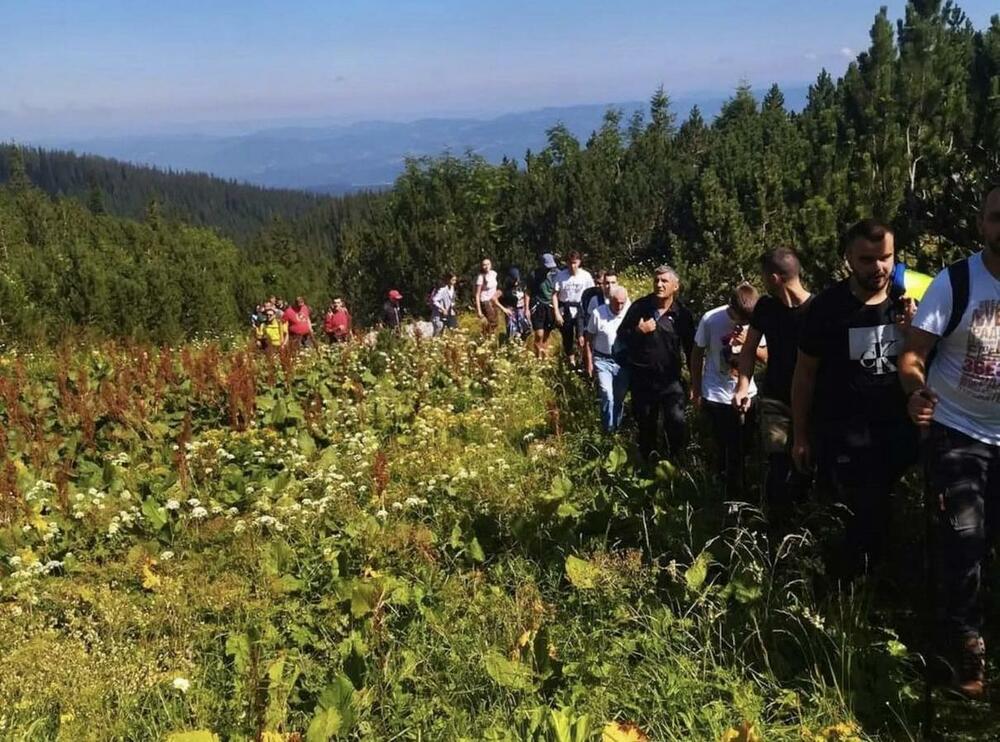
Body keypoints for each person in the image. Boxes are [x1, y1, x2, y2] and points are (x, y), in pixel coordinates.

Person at [899, 185, 1000, 699]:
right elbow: (914, 355)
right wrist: (917, 393)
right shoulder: (956, 282)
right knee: (964, 538)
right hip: (959, 429)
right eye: (995, 218)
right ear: (982, 224)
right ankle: (965, 648)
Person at [791, 219, 919, 580]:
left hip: (899, 434)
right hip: (843, 435)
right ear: (848, 257)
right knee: (853, 518)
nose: (878, 267)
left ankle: (884, 584)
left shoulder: (910, 302)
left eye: (886, 258)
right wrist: (800, 435)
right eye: (867, 259)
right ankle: (845, 593)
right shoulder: (826, 307)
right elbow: (804, 375)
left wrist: (916, 332)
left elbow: (932, 365)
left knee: (890, 515)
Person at [734, 247, 814, 524]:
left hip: (814, 401)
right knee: (779, 464)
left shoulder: (817, 310)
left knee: (808, 463)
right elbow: (748, 350)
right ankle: (776, 526)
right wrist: (743, 385)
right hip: (776, 398)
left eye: (764, 276)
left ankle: (808, 525)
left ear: (775, 277)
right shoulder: (766, 308)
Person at [692, 283, 766, 499]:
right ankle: (729, 492)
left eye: (746, 321)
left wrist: (748, 344)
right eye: (739, 319)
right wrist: (696, 390)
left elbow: (767, 358)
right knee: (726, 444)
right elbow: (697, 354)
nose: (742, 323)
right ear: (731, 308)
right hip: (716, 393)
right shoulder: (711, 319)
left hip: (747, 394)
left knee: (746, 445)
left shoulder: (757, 322)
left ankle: (741, 486)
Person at [618, 265, 696, 462]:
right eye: (656, 281)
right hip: (643, 379)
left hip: (671, 380)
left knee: (676, 422)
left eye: (664, 281)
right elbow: (621, 336)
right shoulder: (640, 307)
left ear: (675, 286)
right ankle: (648, 464)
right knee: (646, 424)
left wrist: (696, 382)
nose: (659, 285)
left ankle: (675, 464)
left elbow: (691, 349)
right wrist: (639, 330)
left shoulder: (682, 314)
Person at [586, 285, 631, 432]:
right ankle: (607, 430)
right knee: (607, 395)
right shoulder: (598, 314)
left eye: (622, 303)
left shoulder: (629, 313)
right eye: (616, 302)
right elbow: (588, 339)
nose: (619, 306)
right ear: (610, 300)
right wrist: (589, 362)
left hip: (623, 361)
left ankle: (616, 429)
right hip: (602, 359)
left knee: (618, 398)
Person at [552, 251, 595, 367]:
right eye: (570, 263)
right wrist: (556, 312)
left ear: (579, 262)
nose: (572, 266)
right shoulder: (561, 275)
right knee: (567, 336)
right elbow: (555, 295)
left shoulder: (586, 276)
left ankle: (584, 361)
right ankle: (571, 361)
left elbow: (591, 294)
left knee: (582, 336)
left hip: (581, 309)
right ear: (567, 263)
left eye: (575, 263)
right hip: (565, 308)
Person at [579, 270, 618, 374]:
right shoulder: (595, 300)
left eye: (613, 283)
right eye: (606, 283)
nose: (609, 286)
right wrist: (582, 334)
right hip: (598, 340)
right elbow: (587, 320)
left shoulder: (623, 299)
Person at [528, 253, 559, 359]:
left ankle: (545, 358)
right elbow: (528, 292)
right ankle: (538, 356)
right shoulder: (534, 275)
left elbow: (558, 291)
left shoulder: (556, 274)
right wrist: (526, 309)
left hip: (550, 306)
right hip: (538, 305)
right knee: (539, 334)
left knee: (546, 335)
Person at [495, 267, 531, 342]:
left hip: (522, 311)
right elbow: (494, 298)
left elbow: (526, 294)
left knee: (526, 331)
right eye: (514, 278)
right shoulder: (505, 288)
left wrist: (527, 308)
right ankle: (512, 347)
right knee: (513, 333)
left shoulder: (522, 285)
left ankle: (522, 346)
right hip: (511, 312)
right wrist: (504, 309)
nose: (516, 280)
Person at [474, 258, 499, 334]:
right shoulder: (481, 277)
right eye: (484, 265)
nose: (486, 266)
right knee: (492, 322)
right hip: (485, 301)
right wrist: (479, 311)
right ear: (482, 266)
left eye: (488, 264)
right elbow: (477, 294)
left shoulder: (494, 274)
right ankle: (488, 339)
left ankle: (488, 338)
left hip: (493, 301)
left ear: (491, 265)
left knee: (495, 322)